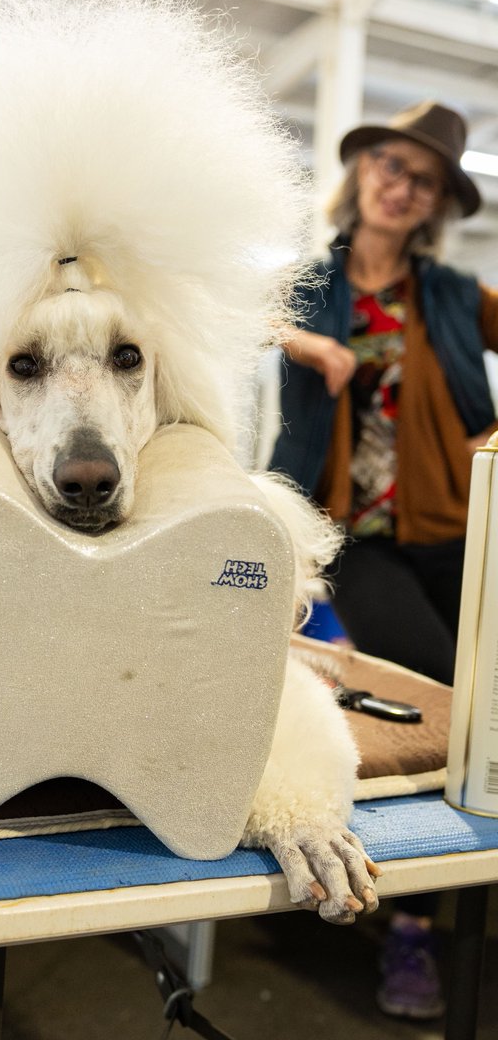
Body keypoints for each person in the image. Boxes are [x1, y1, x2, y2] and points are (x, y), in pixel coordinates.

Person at [269, 101, 498, 1020]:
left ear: (438, 202)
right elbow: (206, 308)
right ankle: (414, 927)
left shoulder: (446, 295)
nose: (403, 188)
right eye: (391, 168)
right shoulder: (305, 283)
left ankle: (454, 895)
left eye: (425, 179)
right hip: (353, 536)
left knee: (488, 705)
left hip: (455, 528)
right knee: (445, 698)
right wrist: (297, 338)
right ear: (363, 175)